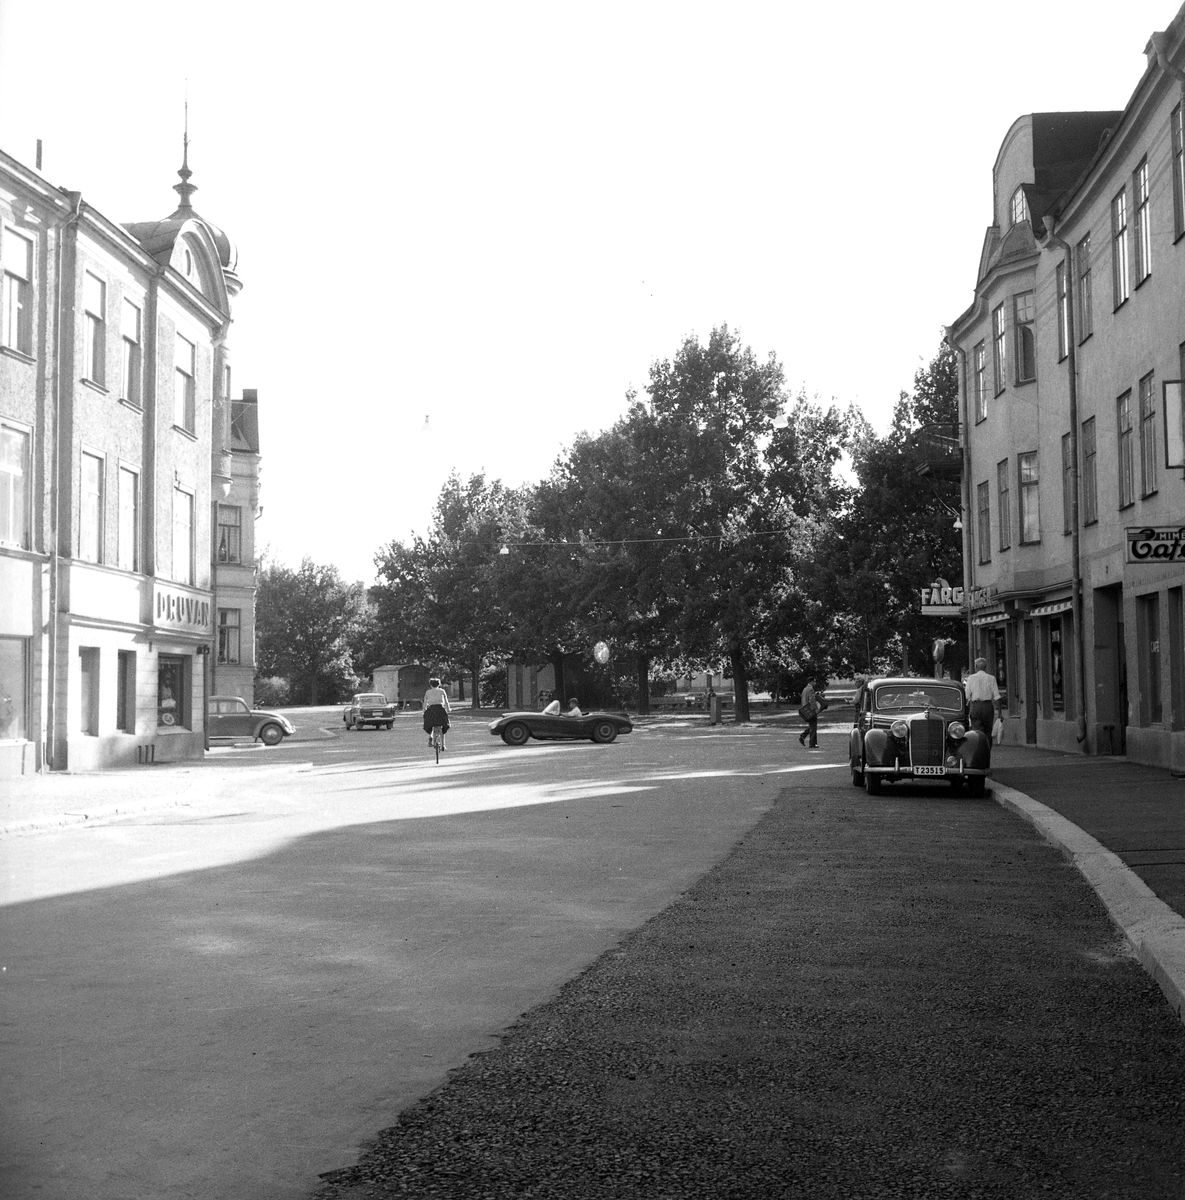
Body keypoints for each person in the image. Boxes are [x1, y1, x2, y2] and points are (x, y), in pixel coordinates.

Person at [964, 657, 1001, 738]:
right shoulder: (991, 678)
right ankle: (987, 747)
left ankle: (979, 746)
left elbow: (966, 695)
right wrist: (1000, 714)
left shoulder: (971, 678)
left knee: (977, 731)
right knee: (988, 731)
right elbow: (997, 697)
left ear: (976, 667)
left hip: (976, 706)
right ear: (985, 667)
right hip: (988, 706)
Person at [422, 677, 451, 749]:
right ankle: (443, 745)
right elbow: (446, 701)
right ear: (439, 684)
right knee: (443, 726)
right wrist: (448, 709)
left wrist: (424, 710)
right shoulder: (442, 691)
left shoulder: (428, 692)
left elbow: (425, 702)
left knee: (430, 724)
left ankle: (431, 736)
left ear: (430, 685)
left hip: (431, 710)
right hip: (440, 709)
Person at [798, 680, 824, 748]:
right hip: (810, 709)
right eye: (814, 682)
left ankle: (803, 736)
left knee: (812, 725)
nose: (815, 683)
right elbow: (812, 700)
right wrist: (815, 709)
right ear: (812, 682)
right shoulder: (811, 689)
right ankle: (812, 743)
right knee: (813, 726)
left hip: (805, 710)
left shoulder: (805, 689)